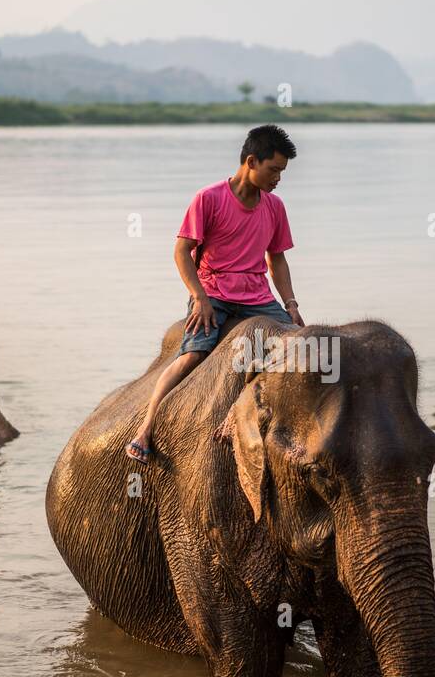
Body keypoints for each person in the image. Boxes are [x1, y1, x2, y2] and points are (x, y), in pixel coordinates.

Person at [125, 124, 304, 463]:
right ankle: (145, 428)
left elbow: (276, 259)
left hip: (257, 297)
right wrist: (199, 298)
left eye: (282, 172)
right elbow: (182, 252)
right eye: (274, 170)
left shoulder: (275, 206)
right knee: (192, 356)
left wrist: (290, 304)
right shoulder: (209, 199)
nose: (278, 178)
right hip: (214, 292)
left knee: (300, 346)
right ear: (251, 161)